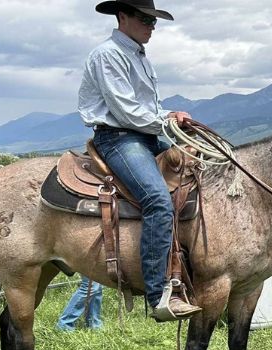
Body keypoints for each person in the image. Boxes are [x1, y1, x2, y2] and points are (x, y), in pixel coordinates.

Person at [78, 0, 201, 321]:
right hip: (119, 137)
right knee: (158, 201)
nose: (152, 26)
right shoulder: (108, 55)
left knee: (199, 168)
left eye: (154, 20)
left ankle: (191, 265)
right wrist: (167, 122)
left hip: (142, 133)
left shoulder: (138, 55)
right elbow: (125, 111)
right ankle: (157, 292)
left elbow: (144, 109)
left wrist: (170, 116)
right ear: (122, 17)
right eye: (146, 19)